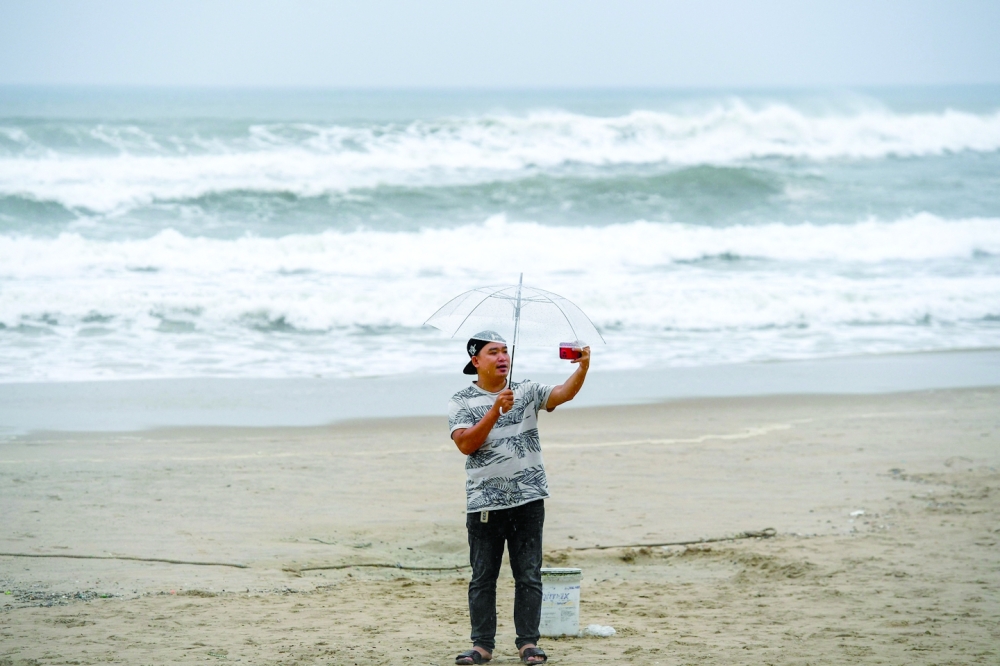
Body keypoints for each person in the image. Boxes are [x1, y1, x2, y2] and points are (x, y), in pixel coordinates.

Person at [448, 330, 590, 665]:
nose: (502, 358)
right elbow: (466, 444)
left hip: (528, 500)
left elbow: (560, 395)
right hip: (485, 503)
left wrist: (582, 369)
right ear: (475, 360)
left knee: (529, 574)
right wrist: (495, 410)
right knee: (484, 577)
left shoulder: (525, 390)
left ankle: (528, 643)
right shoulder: (461, 400)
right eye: (493, 352)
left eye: (505, 351)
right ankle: (482, 645)